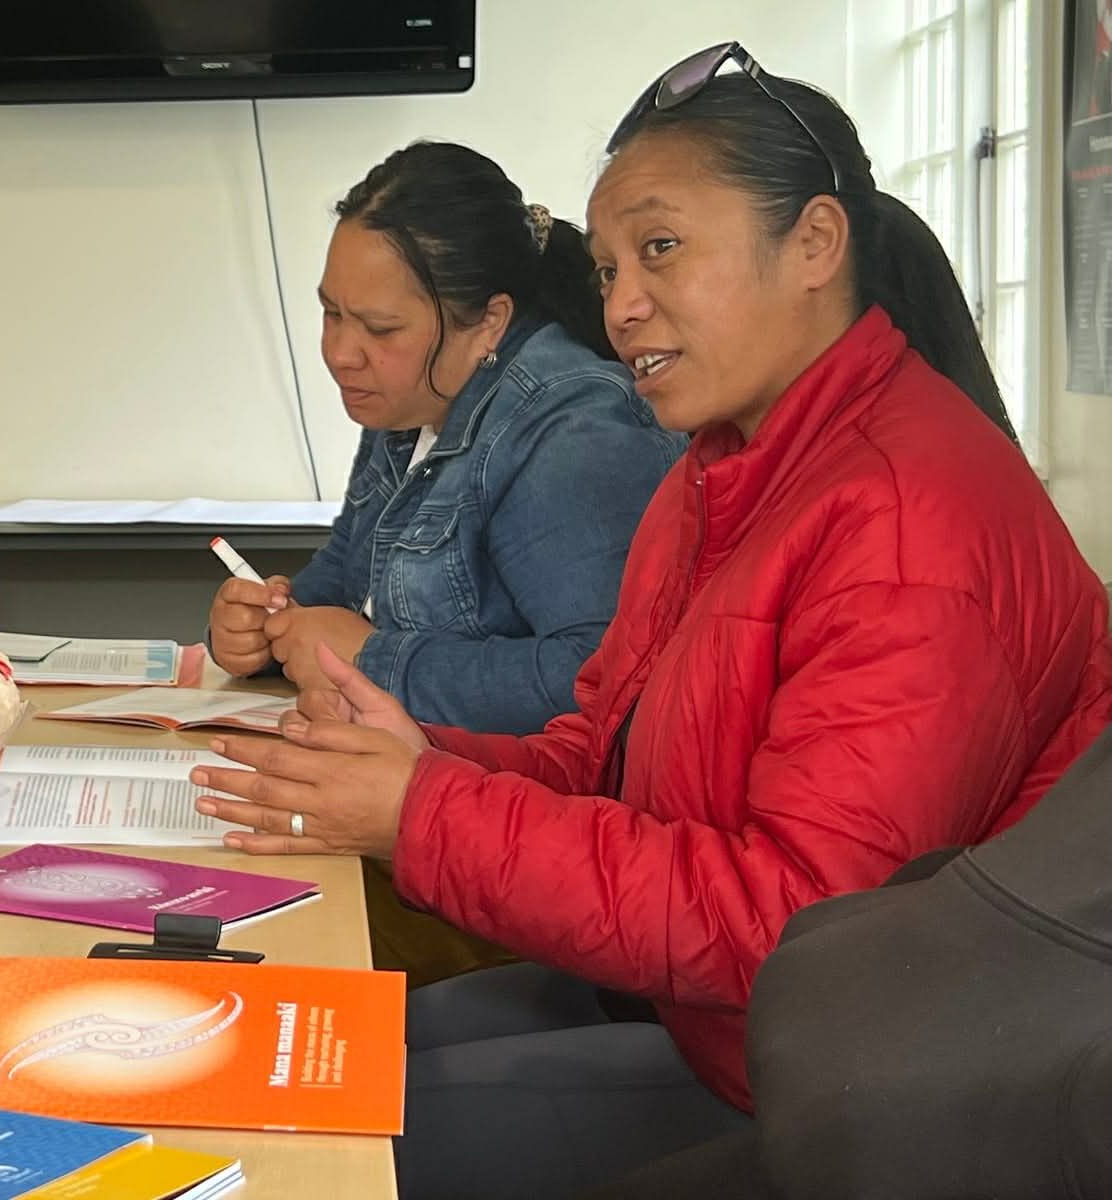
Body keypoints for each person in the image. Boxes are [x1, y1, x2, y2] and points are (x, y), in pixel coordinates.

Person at [189, 44, 1112, 1199]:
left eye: (661, 250)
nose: (620, 305)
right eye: (610, 263)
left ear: (815, 245)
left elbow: (792, 925)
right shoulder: (713, 468)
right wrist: (416, 761)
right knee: (274, 1065)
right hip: (693, 1002)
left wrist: (421, 811)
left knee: (306, 1146)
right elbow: (599, 749)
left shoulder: (903, 526)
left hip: (833, 1078)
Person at [206, 141, 682, 735]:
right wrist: (263, 625)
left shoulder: (571, 433)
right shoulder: (414, 396)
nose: (339, 354)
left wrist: (372, 661)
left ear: (488, 322)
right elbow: (351, 572)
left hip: (502, 806)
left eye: (381, 329)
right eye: (331, 313)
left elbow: (598, 679)